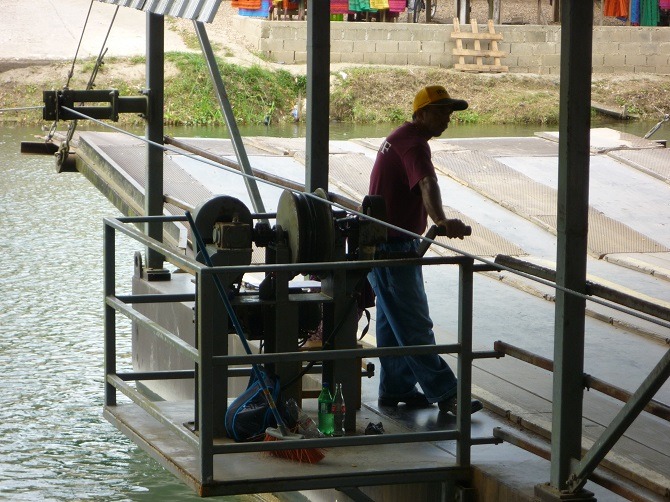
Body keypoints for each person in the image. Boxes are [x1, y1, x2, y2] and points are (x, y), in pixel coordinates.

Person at [367, 85, 483, 415]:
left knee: (393, 326)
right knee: (416, 326)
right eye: (441, 111)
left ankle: (395, 389)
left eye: (450, 112)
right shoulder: (414, 144)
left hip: (384, 243)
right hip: (393, 248)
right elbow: (427, 183)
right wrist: (442, 221)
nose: (448, 118)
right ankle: (447, 393)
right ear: (421, 114)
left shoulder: (402, 137)